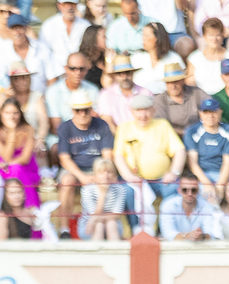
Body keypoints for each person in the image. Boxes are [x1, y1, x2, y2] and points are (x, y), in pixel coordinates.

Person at [114, 93, 185, 235]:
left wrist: (174, 172)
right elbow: (118, 156)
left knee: (174, 189)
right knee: (127, 192)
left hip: (161, 179)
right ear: (132, 111)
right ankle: (136, 230)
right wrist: (129, 177)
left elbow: (180, 150)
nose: (143, 114)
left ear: (153, 110)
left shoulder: (162, 125)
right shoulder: (124, 128)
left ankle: (165, 230)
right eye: (138, 110)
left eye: (146, 109)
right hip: (134, 179)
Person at [55, 90, 114, 236]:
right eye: (78, 110)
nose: (82, 114)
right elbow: (64, 158)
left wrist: (100, 174)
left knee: (107, 181)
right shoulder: (65, 128)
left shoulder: (102, 125)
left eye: (86, 110)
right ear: (72, 111)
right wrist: (82, 177)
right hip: (75, 169)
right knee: (67, 181)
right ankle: (64, 229)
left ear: (91, 110)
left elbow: (107, 155)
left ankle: (105, 227)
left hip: (98, 167)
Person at [0, 97, 42, 206]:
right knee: (14, 169)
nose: (12, 116)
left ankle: (30, 208)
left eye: (15, 113)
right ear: (1, 114)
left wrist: (5, 164)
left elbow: (25, 158)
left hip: (26, 169)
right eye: (7, 113)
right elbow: (6, 156)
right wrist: (12, 131)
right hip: (4, 172)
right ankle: (29, 206)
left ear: (20, 114)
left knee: (16, 168)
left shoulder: (28, 129)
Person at [185, 96, 229, 201]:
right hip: (199, 176)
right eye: (206, 112)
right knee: (207, 195)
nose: (210, 116)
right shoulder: (192, 131)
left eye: (213, 112)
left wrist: (220, 185)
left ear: (220, 112)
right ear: (200, 113)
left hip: (221, 174)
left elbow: (228, 162)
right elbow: (192, 163)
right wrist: (206, 183)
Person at [0, 15, 50, 92]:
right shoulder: (0, 51)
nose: (17, 32)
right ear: (8, 30)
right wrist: (4, 91)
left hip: (39, 96)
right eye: (13, 28)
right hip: (11, 99)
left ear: (26, 28)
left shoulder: (42, 48)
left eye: (20, 28)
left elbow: (51, 77)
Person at [46, 52, 99, 133]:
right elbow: (56, 127)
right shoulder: (53, 91)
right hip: (63, 136)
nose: (77, 73)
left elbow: (97, 119)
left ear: (86, 70)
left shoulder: (93, 90)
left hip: (89, 134)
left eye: (81, 69)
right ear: (66, 69)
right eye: (73, 68)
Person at [95, 55, 151, 131]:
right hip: (118, 137)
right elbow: (107, 121)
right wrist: (121, 138)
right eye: (120, 74)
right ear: (114, 76)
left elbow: (151, 117)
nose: (124, 77)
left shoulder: (145, 92)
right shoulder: (106, 95)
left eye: (127, 73)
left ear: (132, 73)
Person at [152, 62, 209, 136]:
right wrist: (187, 133)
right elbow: (162, 125)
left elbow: (211, 107)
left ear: (182, 81)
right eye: (169, 82)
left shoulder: (196, 92)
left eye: (176, 81)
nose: (173, 86)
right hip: (173, 137)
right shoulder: (160, 100)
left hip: (199, 134)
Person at [159, 176, 223, 240]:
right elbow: (168, 233)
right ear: (179, 191)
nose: (189, 193)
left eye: (193, 190)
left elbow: (211, 233)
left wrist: (202, 236)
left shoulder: (206, 207)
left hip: (199, 247)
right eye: (185, 190)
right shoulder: (168, 205)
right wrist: (186, 236)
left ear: (198, 191)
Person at [77, 156, 126, 239]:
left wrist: (93, 219)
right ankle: (96, 250)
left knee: (111, 223)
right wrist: (103, 193)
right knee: (99, 224)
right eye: (101, 172)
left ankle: (114, 250)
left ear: (114, 174)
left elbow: (116, 214)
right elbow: (93, 213)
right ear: (95, 175)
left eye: (109, 172)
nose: (106, 176)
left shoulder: (120, 189)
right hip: (88, 226)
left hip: (111, 225)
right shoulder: (87, 190)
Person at [186, 17, 229, 96]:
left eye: (218, 35)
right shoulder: (194, 58)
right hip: (202, 98)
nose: (214, 39)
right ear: (204, 36)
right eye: (210, 35)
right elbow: (189, 81)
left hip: (227, 98)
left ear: (223, 36)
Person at [131, 21, 184, 95]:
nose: (143, 39)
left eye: (146, 36)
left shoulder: (174, 58)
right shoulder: (136, 58)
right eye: (143, 35)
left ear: (157, 38)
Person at [40, 0, 89, 75]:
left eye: (72, 4)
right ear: (59, 6)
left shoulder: (85, 25)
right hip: (55, 73)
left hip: (80, 73)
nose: (69, 8)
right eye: (66, 4)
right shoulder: (48, 25)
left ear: (76, 6)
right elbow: (44, 52)